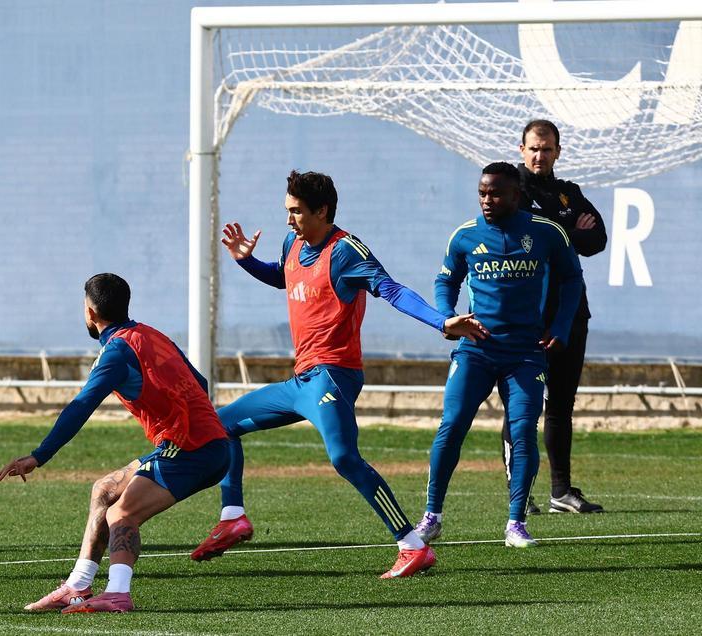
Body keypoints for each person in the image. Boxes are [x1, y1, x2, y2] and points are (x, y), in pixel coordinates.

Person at [190, 170, 488, 579]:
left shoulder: (347, 251)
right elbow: (285, 276)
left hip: (333, 375)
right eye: (287, 210)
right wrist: (247, 262)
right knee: (219, 425)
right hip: (302, 380)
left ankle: (412, 544)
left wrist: (442, 322)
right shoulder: (292, 241)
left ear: (323, 210)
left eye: (296, 211)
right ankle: (233, 516)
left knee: (345, 458)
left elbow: (391, 289)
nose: (289, 219)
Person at [0, 273, 230, 614]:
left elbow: (81, 406)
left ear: (90, 313)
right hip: (195, 443)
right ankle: (77, 585)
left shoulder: (117, 352)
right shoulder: (151, 334)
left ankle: (118, 593)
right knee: (104, 490)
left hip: (192, 448)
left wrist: (38, 456)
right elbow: (200, 381)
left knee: (121, 514)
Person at [415, 162, 583, 548]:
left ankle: (515, 524)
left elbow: (572, 278)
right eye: (482, 193)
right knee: (452, 425)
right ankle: (432, 516)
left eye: (496, 193)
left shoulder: (546, 232)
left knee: (523, 431)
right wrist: (448, 318)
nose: (487, 200)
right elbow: (445, 280)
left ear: (516, 195)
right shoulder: (465, 236)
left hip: (525, 353)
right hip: (475, 349)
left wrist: (559, 327)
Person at [506, 119, 607, 515]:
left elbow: (596, 239)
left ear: (557, 152)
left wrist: (559, 227)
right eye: (533, 148)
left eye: (546, 149)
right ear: (521, 149)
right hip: (526, 314)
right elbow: (530, 235)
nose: (539, 155)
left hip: (570, 313)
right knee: (523, 402)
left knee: (561, 404)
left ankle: (561, 492)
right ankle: (519, 492)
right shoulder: (510, 190)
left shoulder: (569, 192)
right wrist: (568, 227)